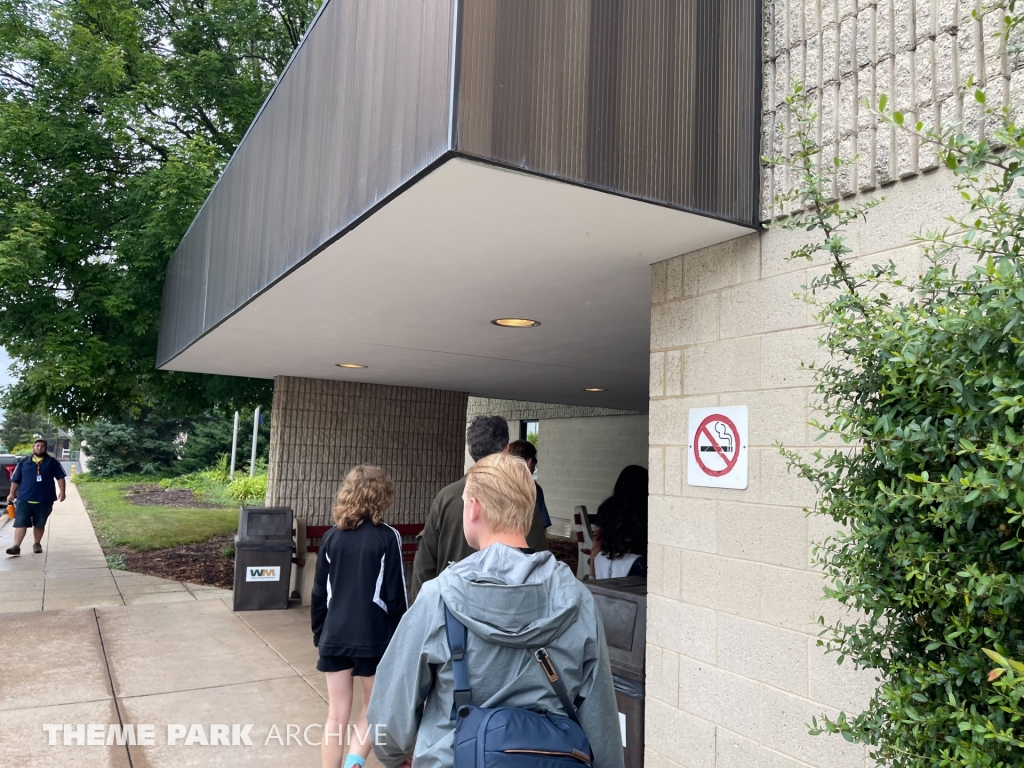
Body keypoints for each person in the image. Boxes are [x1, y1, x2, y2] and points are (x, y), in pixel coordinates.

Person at [367, 452, 624, 768]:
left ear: (474, 507)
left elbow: (390, 714)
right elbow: (600, 719)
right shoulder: (578, 599)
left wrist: (394, 753)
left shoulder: (439, 597)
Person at [311, 465, 408, 768]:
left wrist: (319, 633)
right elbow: (395, 594)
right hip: (373, 637)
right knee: (372, 709)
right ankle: (354, 764)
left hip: (334, 634)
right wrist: (402, 639)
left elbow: (319, 592)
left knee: (336, 715)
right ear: (381, 495)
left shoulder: (330, 537)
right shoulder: (388, 537)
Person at [410, 416, 547, 602]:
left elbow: (424, 565)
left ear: (469, 449)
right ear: (507, 449)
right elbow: (539, 560)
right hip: (509, 609)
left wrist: (423, 609)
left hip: (449, 608)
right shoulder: (521, 498)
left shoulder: (447, 496)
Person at [5, 438, 67, 556]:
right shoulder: (24, 462)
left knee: (40, 524)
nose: (39, 448)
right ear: (33, 447)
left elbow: (60, 477)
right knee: (21, 523)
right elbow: (15, 479)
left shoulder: (52, 462)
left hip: (44, 499)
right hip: (24, 499)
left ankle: (37, 544)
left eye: (42, 446)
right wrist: (11, 493)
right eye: (37, 446)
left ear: (46, 448)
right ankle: (16, 546)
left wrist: (62, 492)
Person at [590, 465, 648, 579]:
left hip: (604, 563)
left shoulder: (607, 507)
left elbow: (596, 546)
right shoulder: (644, 509)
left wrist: (592, 577)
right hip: (635, 566)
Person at [505, 439, 551, 529]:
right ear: (529, 462)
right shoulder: (533, 488)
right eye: (535, 461)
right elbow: (540, 525)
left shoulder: (493, 483)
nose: (535, 467)